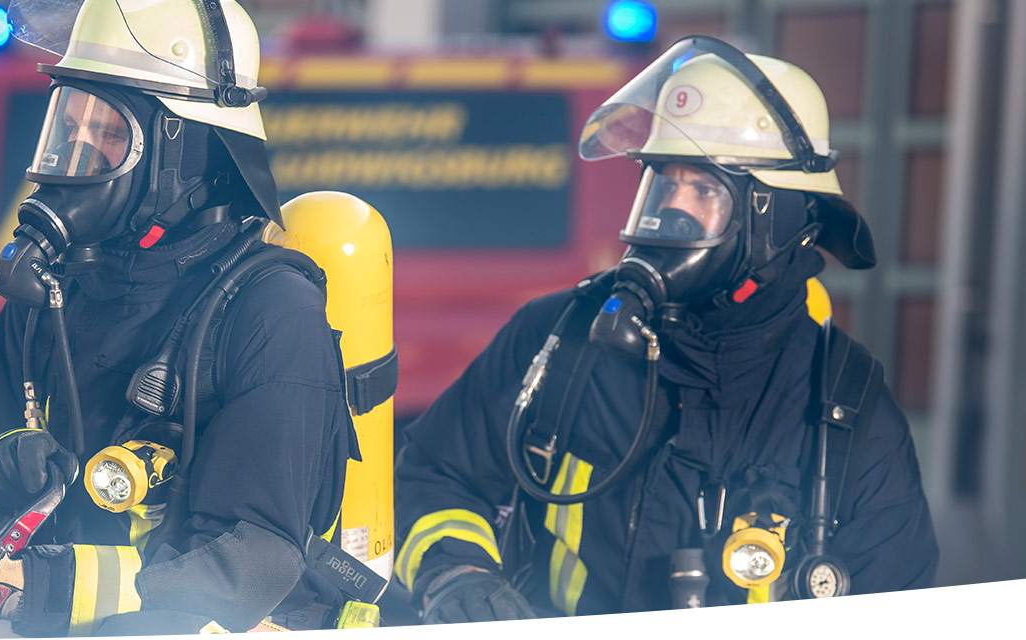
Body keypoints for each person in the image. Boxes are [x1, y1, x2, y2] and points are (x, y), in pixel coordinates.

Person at [0, 0, 368, 634]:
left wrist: (26, 585)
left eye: (110, 129)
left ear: (185, 149)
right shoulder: (53, 295)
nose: (78, 145)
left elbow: (248, 566)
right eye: (72, 119)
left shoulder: (270, 313)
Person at [393, 36, 938, 622]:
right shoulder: (563, 337)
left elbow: (895, 613)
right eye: (661, 184)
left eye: (703, 190)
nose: (669, 212)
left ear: (773, 217)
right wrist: (458, 572)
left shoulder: (847, 412)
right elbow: (433, 472)